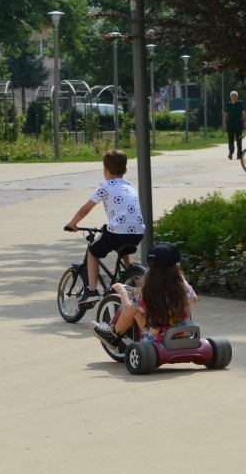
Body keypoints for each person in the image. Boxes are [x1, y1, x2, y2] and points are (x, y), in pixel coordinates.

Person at [65, 149, 145, 304]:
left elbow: (85, 209)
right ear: (125, 170)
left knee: (93, 251)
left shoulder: (106, 186)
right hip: (137, 231)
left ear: (106, 170)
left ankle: (92, 291)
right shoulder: (130, 186)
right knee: (121, 245)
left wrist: (73, 223)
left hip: (117, 231)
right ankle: (130, 275)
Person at [93, 242, 197, 350]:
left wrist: (122, 292)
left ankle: (112, 336)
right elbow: (194, 299)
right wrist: (182, 280)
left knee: (134, 308)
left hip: (158, 341)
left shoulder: (148, 292)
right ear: (175, 268)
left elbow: (127, 312)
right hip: (184, 337)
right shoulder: (183, 288)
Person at [224, 90, 246, 160]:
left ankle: (239, 155)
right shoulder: (228, 104)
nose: (234, 97)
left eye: (235, 96)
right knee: (230, 140)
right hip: (230, 124)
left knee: (239, 140)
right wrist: (225, 123)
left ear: (237, 97)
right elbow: (226, 114)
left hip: (238, 124)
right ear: (230, 97)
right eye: (232, 96)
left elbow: (243, 113)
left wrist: (245, 121)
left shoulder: (240, 103)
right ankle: (231, 153)